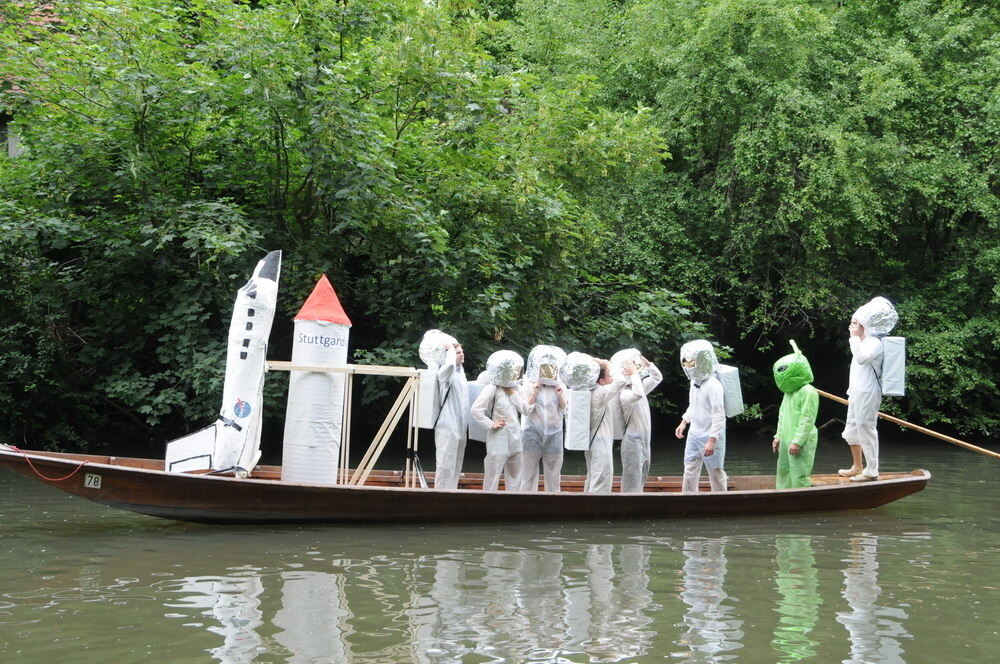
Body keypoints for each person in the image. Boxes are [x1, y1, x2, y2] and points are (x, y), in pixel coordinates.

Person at [839, 297, 897, 482]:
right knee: (853, 428)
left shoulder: (874, 343)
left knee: (866, 427)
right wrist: (856, 339)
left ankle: (872, 470)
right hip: (856, 391)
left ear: (866, 325)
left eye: (856, 323)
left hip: (868, 392)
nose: (852, 326)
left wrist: (854, 338)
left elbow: (862, 358)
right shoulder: (862, 341)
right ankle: (857, 466)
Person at [674, 340, 727, 493]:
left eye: (691, 363)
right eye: (686, 363)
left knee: (715, 471)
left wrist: (712, 440)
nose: (688, 367)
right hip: (695, 432)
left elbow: (719, 416)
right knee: (689, 467)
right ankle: (688, 498)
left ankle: (721, 500)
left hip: (711, 434)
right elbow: (693, 405)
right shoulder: (694, 382)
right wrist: (684, 422)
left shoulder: (714, 385)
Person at [471, 351, 527, 491]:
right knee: (493, 473)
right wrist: (491, 424)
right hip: (499, 435)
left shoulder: (517, 388)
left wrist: (512, 393)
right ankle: (488, 504)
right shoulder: (492, 388)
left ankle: (513, 505)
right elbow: (476, 410)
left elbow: (525, 409)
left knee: (516, 474)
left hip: (515, 435)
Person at [771, 341, 819, 489]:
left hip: (800, 438)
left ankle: (801, 496)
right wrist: (778, 436)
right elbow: (782, 415)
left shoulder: (808, 391)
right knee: (784, 469)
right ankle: (782, 495)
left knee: (799, 470)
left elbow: (807, 418)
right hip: (786, 436)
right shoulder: (789, 392)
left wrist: (798, 441)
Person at [520, 346, 567, 492]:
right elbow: (525, 410)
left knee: (554, 475)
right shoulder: (528, 385)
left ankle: (553, 507)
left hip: (555, 434)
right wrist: (534, 392)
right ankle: (524, 505)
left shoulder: (560, 386)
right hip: (531, 433)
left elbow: (564, 410)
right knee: (527, 475)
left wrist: (560, 396)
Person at [618, 354, 663, 493]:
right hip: (632, 440)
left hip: (644, 439)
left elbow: (657, 378)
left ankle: (638, 499)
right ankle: (628, 503)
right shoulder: (624, 394)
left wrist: (648, 364)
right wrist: (633, 373)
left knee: (643, 472)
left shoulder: (639, 387)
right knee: (632, 477)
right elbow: (637, 394)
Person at [584, 359, 626, 494]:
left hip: (590, 440)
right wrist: (609, 365)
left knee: (593, 474)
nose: (611, 378)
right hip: (600, 440)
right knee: (602, 475)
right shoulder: (600, 392)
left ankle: (586, 503)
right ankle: (596, 508)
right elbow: (621, 381)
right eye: (608, 376)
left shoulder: (587, 391)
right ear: (601, 381)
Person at [434, 341, 470, 490]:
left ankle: (452, 492)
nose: (461, 354)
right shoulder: (445, 372)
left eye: (462, 351)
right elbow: (448, 366)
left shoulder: (460, 372)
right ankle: (440, 495)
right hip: (447, 425)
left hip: (461, 426)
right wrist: (449, 350)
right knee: (445, 465)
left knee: (456, 464)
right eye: (458, 352)